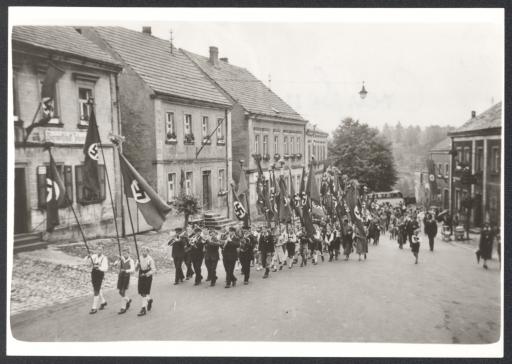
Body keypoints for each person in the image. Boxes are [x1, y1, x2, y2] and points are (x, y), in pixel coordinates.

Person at [85, 244, 109, 314]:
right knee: (97, 288)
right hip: (93, 273)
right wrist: (88, 257)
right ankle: (103, 302)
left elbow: (106, 268)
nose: (99, 251)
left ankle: (94, 308)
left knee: (96, 290)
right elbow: (87, 262)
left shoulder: (104, 258)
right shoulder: (94, 256)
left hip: (100, 274)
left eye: (101, 250)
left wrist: (99, 268)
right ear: (96, 250)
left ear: (103, 250)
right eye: (98, 249)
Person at [113, 246, 135, 314]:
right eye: (123, 253)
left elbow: (132, 269)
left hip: (126, 277)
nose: (124, 255)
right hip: (121, 276)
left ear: (129, 253)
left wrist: (126, 270)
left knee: (123, 291)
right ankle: (128, 300)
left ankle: (123, 308)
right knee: (120, 292)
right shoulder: (121, 259)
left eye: (126, 253)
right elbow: (115, 264)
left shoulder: (131, 260)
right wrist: (117, 261)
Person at [136, 246, 156, 316]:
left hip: (147, 277)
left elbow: (153, 270)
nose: (143, 252)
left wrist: (146, 274)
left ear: (148, 252)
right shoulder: (140, 258)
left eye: (145, 251)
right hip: (141, 275)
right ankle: (149, 300)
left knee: (144, 292)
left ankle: (143, 308)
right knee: (141, 292)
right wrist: (137, 265)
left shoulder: (150, 259)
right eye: (142, 251)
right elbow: (136, 268)